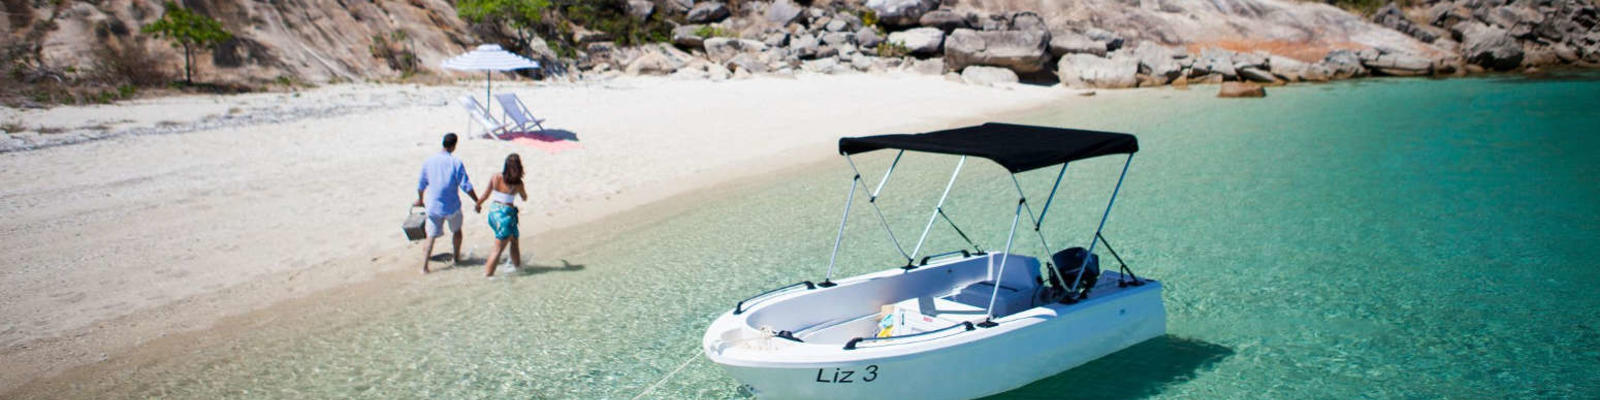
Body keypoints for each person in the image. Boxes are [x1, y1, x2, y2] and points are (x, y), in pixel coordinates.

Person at [415, 133, 480, 274]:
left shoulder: (429, 161)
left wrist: (420, 199)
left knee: (430, 236)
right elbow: (466, 185)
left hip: (433, 206)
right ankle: (456, 259)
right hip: (452, 206)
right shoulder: (455, 162)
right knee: (457, 231)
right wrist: (477, 200)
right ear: (454, 146)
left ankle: (424, 267)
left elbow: (421, 185)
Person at [475, 153, 529, 277]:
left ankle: (518, 268)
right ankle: (488, 275)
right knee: (498, 249)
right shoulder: (518, 184)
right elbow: (524, 197)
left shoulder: (496, 177)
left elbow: (485, 195)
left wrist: (478, 205)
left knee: (514, 240)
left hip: (494, 213)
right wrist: (522, 194)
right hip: (506, 216)